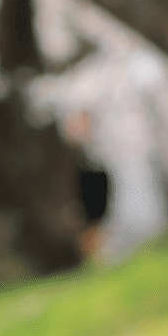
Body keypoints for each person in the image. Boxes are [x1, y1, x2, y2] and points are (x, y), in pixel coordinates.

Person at [64, 111, 112, 261]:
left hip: (96, 184)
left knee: (96, 223)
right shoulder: (72, 154)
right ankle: (91, 258)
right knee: (87, 224)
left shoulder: (96, 145)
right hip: (83, 189)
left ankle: (98, 257)